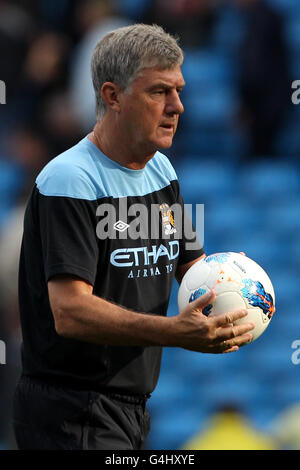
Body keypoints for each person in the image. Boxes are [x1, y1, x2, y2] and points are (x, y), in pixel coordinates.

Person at [13, 23, 254, 450]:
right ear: (113, 96)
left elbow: (192, 267)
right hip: (71, 410)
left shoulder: (162, 171)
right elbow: (69, 311)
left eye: (178, 90)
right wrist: (172, 331)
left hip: (132, 407)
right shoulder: (70, 180)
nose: (177, 106)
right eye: (159, 92)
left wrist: (236, 284)